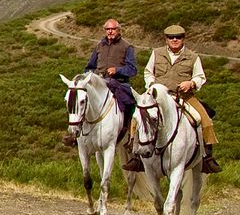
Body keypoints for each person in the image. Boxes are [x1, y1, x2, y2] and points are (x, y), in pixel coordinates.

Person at [124, 25, 221, 174]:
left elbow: (200, 76)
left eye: (178, 37)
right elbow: (148, 72)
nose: (174, 40)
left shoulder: (193, 56)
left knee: (205, 121)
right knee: (137, 119)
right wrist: (151, 84)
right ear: (166, 39)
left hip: (184, 96)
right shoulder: (157, 53)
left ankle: (207, 158)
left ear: (183, 39)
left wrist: (192, 83)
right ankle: (136, 154)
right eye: (171, 37)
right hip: (158, 96)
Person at [65, 19, 138, 146]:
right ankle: (76, 135)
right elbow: (89, 67)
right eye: (107, 29)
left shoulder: (127, 46)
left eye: (113, 29)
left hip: (119, 83)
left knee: (133, 104)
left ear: (118, 30)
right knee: (79, 100)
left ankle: (131, 137)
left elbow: (132, 69)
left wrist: (117, 70)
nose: (110, 31)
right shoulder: (100, 45)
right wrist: (92, 76)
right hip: (99, 83)